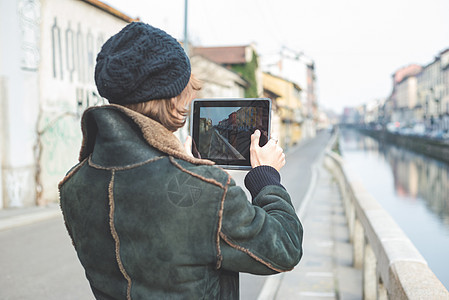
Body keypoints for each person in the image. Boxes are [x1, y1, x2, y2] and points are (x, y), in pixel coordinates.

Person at [59, 22, 303, 300]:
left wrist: (181, 166)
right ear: (175, 99)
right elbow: (286, 248)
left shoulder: (74, 183)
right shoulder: (210, 190)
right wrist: (266, 176)